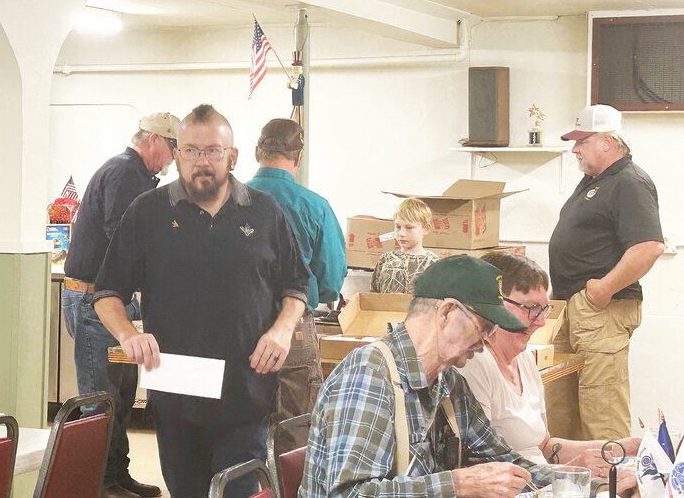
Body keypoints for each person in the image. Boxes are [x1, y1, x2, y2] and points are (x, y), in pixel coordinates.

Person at [93, 104, 310, 498]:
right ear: (177, 155)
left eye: (213, 151)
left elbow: (296, 286)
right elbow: (107, 292)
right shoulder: (148, 212)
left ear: (233, 156)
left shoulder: (265, 212)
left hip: (246, 393)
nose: (201, 162)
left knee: (238, 491)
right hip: (176, 397)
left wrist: (281, 329)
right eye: (191, 151)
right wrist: (127, 335)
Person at [300, 255, 550, 498]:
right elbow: (350, 494)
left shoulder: (448, 381)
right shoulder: (370, 375)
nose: (485, 340)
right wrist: (457, 485)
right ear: (447, 313)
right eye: (484, 326)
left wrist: (575, 483)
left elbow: (502, 458)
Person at [62, 112, 179, 498]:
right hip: (96, 300)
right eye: (173, 147)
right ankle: (99, 484)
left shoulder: (136, 175)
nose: (174, 158)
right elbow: (123, 236)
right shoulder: (126, 172)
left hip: (110, 300)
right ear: (153, 140)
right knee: (102, 400)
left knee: (122, 396)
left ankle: (116, 475)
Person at [457, 252, 639, 480]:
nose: (541, 321)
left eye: (544, 309)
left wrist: (618, 447)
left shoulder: (523, 358)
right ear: (493, 303)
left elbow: (545, 446)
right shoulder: (474, 363)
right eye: (531, 308)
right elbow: (483, 468)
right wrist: (570, 472)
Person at [550, 104, 664, 440]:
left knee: (602, 418)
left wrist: (602, 290)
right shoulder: (595, 181)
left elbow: (649, 246)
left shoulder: (630, 182)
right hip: (571, 308)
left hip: (600, 311)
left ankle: (612, 491)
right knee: (562, 416)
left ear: (606, 142)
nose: (574, 149)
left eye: (581, 141)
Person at [246, 118, 346, 423]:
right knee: (296, 431)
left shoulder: (225, 203)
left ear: (256, 152)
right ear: (297, 157)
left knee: (241, 429)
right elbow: (329, 280)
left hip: (239, 330)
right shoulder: (314, 207)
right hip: (294, 332)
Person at [371, 197, 439, 294]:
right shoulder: (386, 260)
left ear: (425, 229)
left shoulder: (433, 264)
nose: (401, 233)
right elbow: (373, 295)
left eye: (409, 228)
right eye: (398, 227)